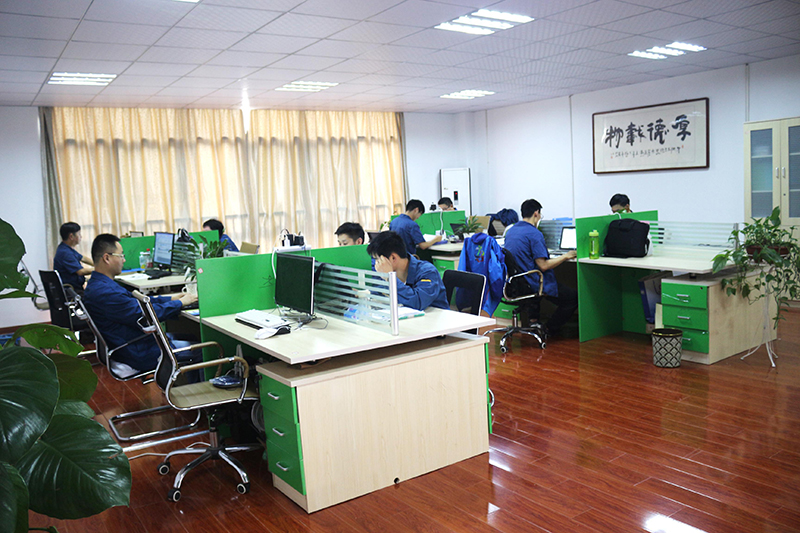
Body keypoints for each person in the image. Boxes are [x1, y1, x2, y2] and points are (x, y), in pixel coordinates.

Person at [83, 234, 202, 381]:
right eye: (121, 256)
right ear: (107, 258)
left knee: (191, 337)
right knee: (202, 351)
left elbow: (138, 303)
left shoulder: (100, 284)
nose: (124, 260)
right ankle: (190, 393)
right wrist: (180, 303)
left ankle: (181, 387)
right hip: (137, 351)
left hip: (131, 343)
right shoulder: (106, 292)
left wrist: (171, 298)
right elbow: (144, 315)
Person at [504, 199, 578, 338]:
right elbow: (543, 266)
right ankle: (549, 328)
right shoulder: (534, 234)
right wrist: (566, 256)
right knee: (572, 298)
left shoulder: (511, 231)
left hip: (515, 283)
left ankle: (534, 320)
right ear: (536, 213)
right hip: (531, 282)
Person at [367, 231, 448, 311]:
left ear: (393, 258)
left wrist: (390, 277)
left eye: (378, 259)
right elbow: (378, 293)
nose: (377, 264)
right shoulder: (385, 273)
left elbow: (417, 302)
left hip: (435, 317)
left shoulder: (428, 272)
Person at [54, 222, 94, 293]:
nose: (81, 236)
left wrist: (97, 264)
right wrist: (100, 268)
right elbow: (81, 272)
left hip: (73, 289)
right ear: (71, 236)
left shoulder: (65, 248)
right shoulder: (65, 253)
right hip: (72, 292)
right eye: (79, 234)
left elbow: (83, 258)